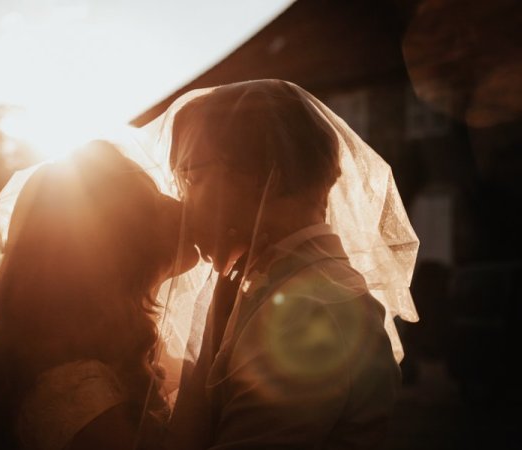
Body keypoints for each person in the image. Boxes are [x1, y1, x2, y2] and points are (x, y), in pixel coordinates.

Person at [161, 80, 420, 449]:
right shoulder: (273, 284)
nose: (183, 202)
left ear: (266, 175)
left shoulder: (306, 314)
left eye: (192, 176)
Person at [0, 140, 199, 450]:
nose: (175, 206)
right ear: (117, 250)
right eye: (151, 202)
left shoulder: (103, 362)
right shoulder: (76, 395)